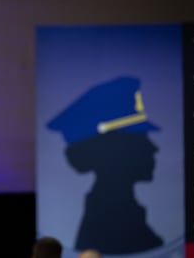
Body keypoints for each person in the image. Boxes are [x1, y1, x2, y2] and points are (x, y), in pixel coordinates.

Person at [47, 77, 163, 254]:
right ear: (114, 149)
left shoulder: (122, 215)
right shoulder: (112, 220)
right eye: (141, 139)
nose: (154, 148)